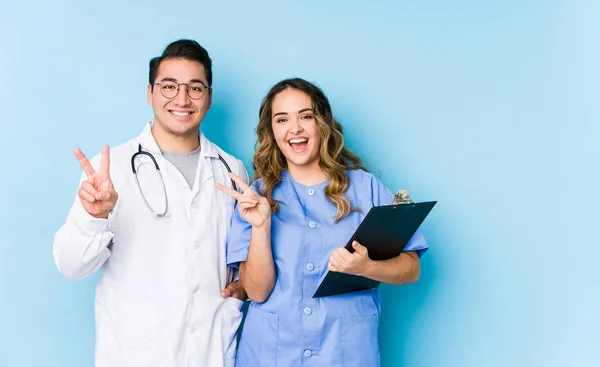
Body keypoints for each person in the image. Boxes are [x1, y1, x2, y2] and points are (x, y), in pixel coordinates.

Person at [53, 39, 248, 367]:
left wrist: (242, 285)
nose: (182, 99)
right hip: (136, 355)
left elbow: (235, 255)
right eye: (169, 86)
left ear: (209, 97)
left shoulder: (231, 169)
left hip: (211, 354)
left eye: (195, 88)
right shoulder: (111, 168)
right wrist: (93, 217)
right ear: (150, 93)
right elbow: (71, 266)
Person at [217, 78, 429, 366]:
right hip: (272, 353)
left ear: (323, 123)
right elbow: (257, 291)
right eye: (282, 119)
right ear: (272, 131)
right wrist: (261, 226)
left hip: (344, 353)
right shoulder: (256, 196)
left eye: (306, 116)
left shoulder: (367, 188)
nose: (295, 129)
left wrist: (368, 267)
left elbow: (411, 268)